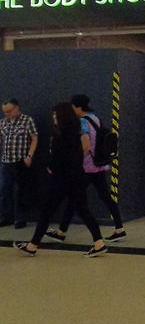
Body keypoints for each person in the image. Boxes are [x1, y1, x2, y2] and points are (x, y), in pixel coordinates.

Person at [13, 102, 107, 257]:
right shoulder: (77, 133)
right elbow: (78, 156)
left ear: (62, 117)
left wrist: (46, 164)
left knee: (47, 212)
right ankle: (99, 242)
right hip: (77, 177)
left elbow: (57, 161)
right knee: (83, 210)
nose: (54, 118)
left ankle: (32, 246)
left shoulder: (59, 137)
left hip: (61, 181)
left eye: (56, 115)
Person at [45, 94, 125, 243]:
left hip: (86, 166)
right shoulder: (95, 118)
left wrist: (72, 156)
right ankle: (119, 227)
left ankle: (62, 232)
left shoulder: (81, 122)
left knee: (75, 200)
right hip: (98, 164)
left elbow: (85, 145)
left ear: (78, 107)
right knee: (104, 197)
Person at [0, 98, 38, 229]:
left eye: (9, 111)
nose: (7, 114)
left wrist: (29, 156)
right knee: (5, 190)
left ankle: (21, 218)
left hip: (21, 161)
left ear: (17, 108)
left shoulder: (27, 121)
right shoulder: (3, 123)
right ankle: (7, 216)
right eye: (5, 112)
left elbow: (34, 138)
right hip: (6, 161)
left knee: (22, 191)